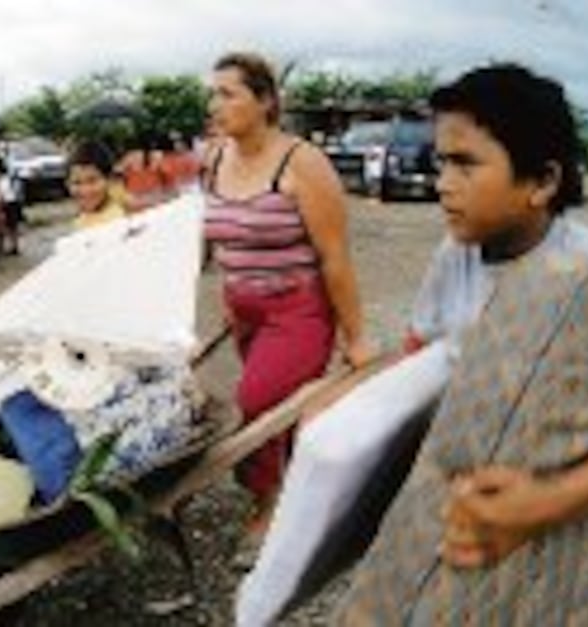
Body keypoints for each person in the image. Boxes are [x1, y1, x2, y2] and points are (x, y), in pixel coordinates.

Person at [333, 63, 588, 625]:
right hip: (464, 524)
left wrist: (544, 505)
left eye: (465, 163)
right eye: (442, 161)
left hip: (572, 536)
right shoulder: (455, 255)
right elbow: (422, 359)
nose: (443, 182)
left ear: (542, 181)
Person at [203, 52, 373, 540]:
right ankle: (310, 492)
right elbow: (222, 238)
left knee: (257, 403)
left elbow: (335, 257)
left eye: (228, 93)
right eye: (213, 93)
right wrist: (227, 296)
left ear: (266, 101)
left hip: (297, 310)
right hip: (243, 308)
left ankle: (268, 507)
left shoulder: (302, 163)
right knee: (284, 410)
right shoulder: (213, 157)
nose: (215, 104)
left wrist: (356, 337)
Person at [67, 140, 126, 231]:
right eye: (77, 182)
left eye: (92, 181)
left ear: (109, 180)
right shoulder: (81, 220)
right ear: (67, 184)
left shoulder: (120, 220)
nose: (85, 190)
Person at [117, 132, 172, 212]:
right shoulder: (156, 155)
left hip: (144, 200)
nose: (135, 157)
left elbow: (118, 174)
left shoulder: (128, 158)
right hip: (150, 200)